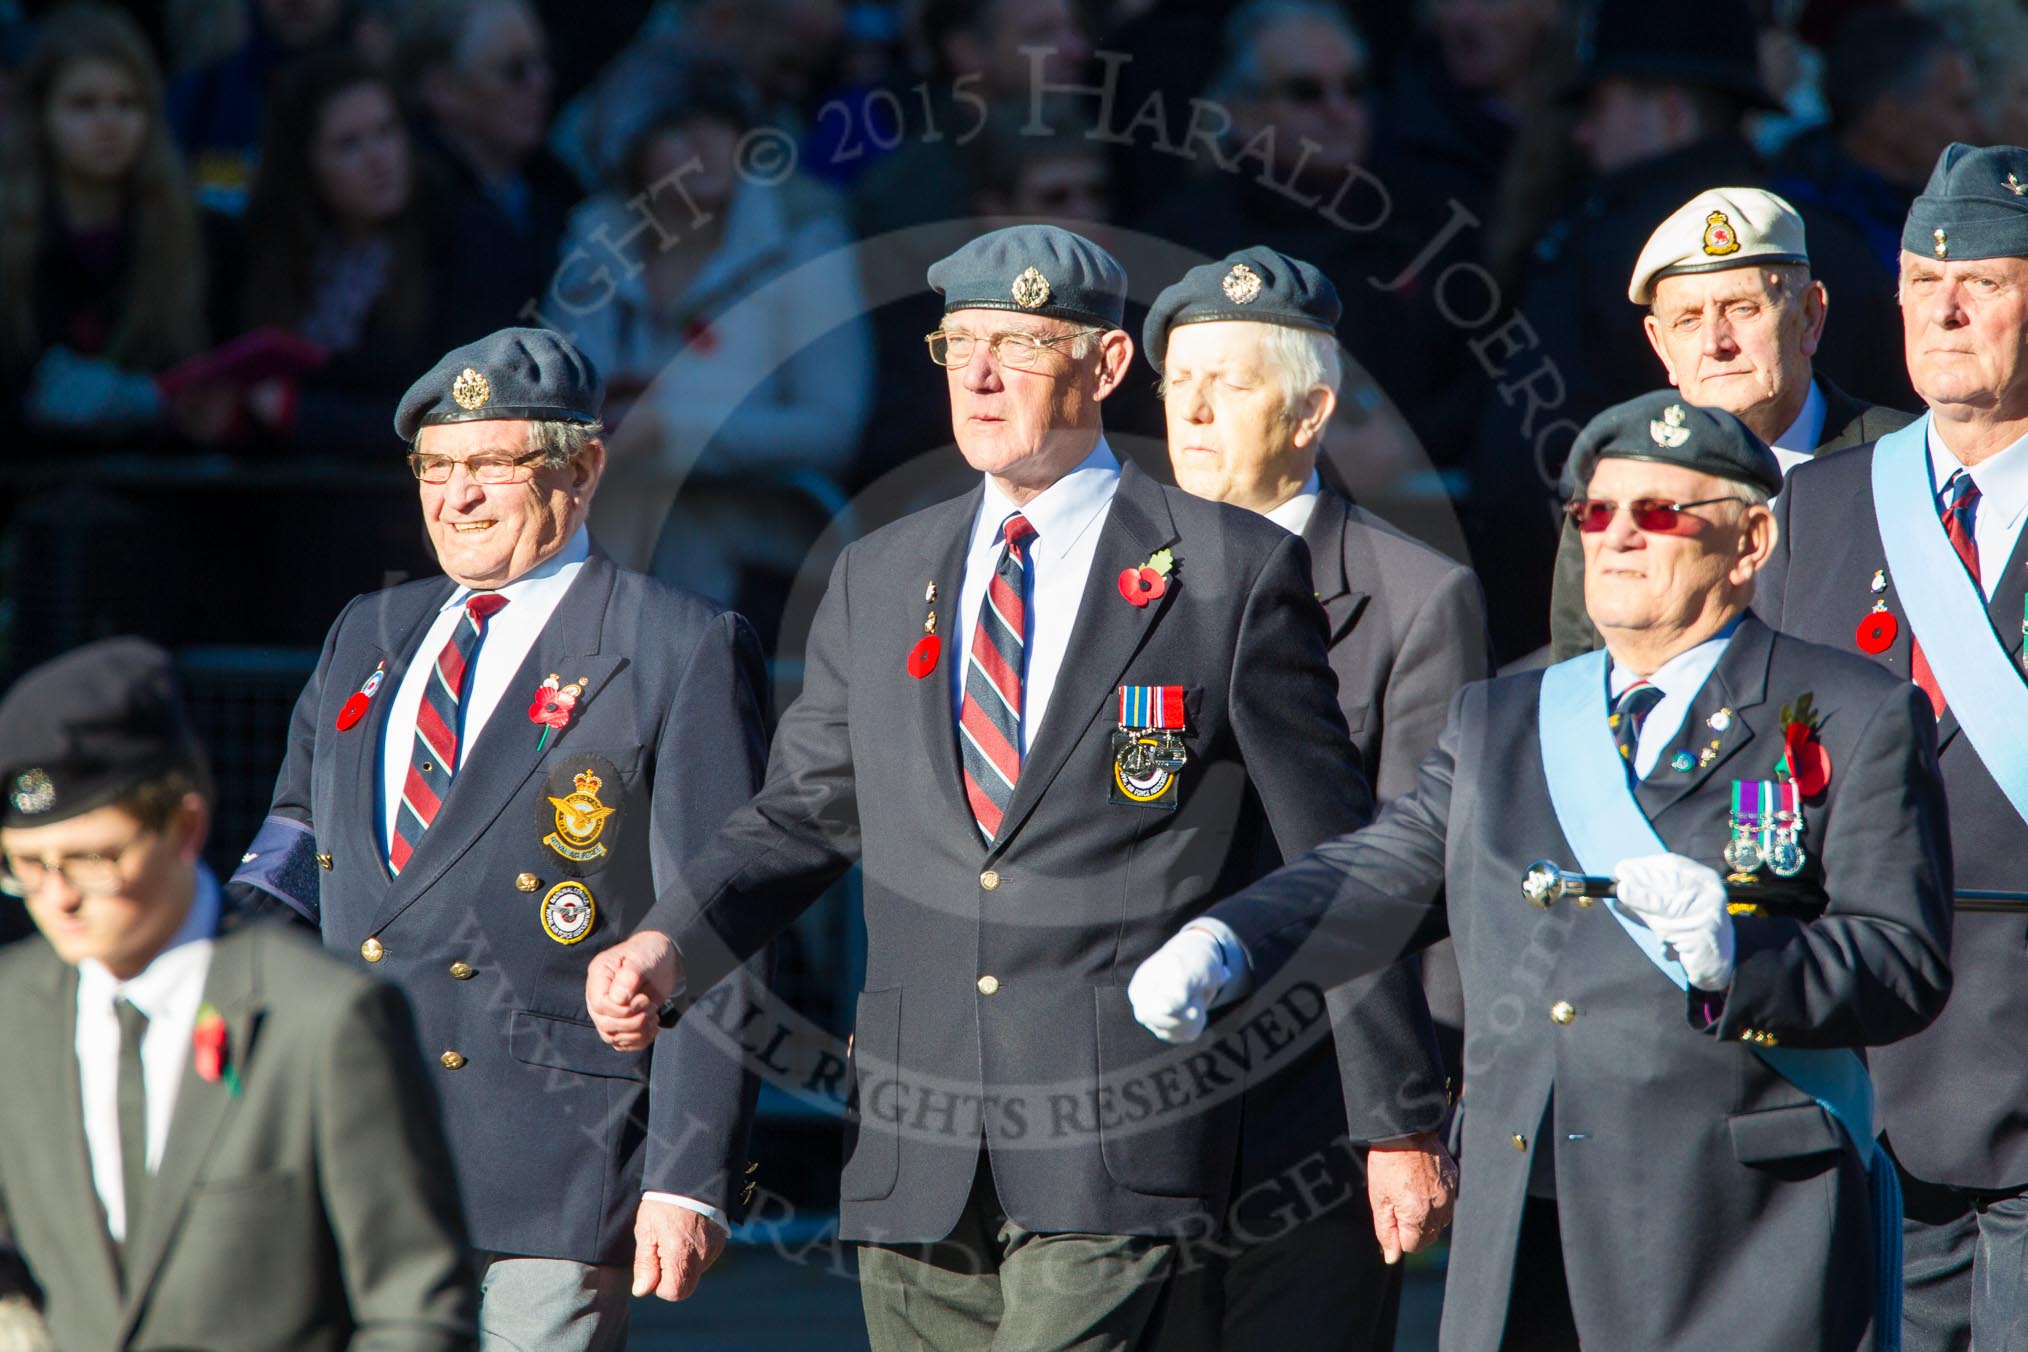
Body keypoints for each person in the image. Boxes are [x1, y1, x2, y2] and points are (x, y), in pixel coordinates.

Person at [582, 225, 1446, 1350]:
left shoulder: (1227, 570)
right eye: (960, 344)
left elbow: (1342, 863)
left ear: (1104, 366)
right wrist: (672, 940)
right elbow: (804, 808)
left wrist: (1392, 1117)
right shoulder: (880, 572)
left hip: (1122, 1134)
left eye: (1022, 343)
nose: (980, 375)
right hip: (916, 1144)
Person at [1133, 390, 1954, 1350]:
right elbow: (1383, 872)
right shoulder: (1505, 720)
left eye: (1660, 512)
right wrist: (1231, 940)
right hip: (1528, 1217)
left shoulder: (1853, 709)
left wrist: (1743, 955)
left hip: (1737, 1228)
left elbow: (1903, 961)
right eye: (1596, 513)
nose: (1618, 538)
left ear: (1751, 542)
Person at [229, 327, 769, 1351]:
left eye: (491, 465)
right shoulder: (368, 631)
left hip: (557, 1149)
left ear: (585, 467)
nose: (456, 495)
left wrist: (689, 1177)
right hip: (353, 1137)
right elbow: (295, 838)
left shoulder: (674, 645)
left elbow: (718, 915)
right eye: (436, 465)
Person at [1144, 246, 1483, 1350]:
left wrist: (1407, 1115)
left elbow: (1411, 869)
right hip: (1127, 1093)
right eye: (1177, 382)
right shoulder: (1112, 572)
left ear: (1309, 411)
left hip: (1316, 1099)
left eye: (1230, 384)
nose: (1192, 411)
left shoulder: (1414, 595)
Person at [0, 637, 478, 1350]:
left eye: (92, 860)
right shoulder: (13, 1011)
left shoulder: (325, 1019)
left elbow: (415, 1309)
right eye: (26, 867)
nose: (57, 898)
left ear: (186, 826)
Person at [1752, 141, 2028, 1352]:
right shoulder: (1819, 505)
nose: (1946, 309)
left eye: (1985, 280)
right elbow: (1764, 775)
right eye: (1922, 280)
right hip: (1868, 1084)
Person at [558, 55, 872, 616]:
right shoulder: (594, 242)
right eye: (678, 127)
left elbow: (832, 428)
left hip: (766, 515)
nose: (706, 143)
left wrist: (671, 433)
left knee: (677, 536)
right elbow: (556, 389)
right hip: (613, 506)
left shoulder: (803, 237)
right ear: (632, 151)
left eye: (723, 124)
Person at [1546, 186, 1915, 660]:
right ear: (1661, 347)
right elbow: (1581, 676)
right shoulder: (1616, 486)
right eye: (1687, 320)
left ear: (1809, 317)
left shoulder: (1904, 458)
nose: (1715, 342)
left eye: (1741, 309)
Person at [0, 2, 209, 448]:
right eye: (84, 104)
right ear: (40, 112)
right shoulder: (10, 239)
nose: (109, 123)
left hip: (159, 492)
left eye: (127, 103)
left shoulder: (199, 235)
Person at [238, 50, 458, 457]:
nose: (379, 159)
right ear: (305, 165)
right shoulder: (271, 253)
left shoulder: (456, 241)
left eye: (386, 131)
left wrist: (301, 414)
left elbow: (455, 413)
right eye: (348, 144)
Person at [394, 0, 582, 337]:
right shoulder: (400, 206)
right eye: (514, 70)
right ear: (442, 89)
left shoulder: (562, 193)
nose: (541, 82)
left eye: (543, 62)